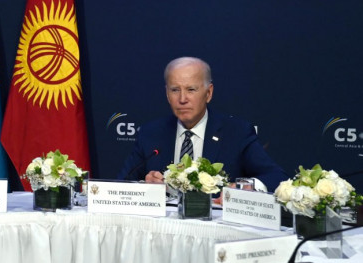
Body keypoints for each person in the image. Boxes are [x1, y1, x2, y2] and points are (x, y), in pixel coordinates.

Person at [117, 57, 287, 191]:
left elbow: (276, 177)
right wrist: (145, 186)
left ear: (208, 93)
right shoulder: (150, 133)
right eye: (175, 90)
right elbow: (122, 185)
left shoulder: (237, 132)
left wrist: (242, 188)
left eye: (191, 90)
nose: (182, 99)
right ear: (167, 94)